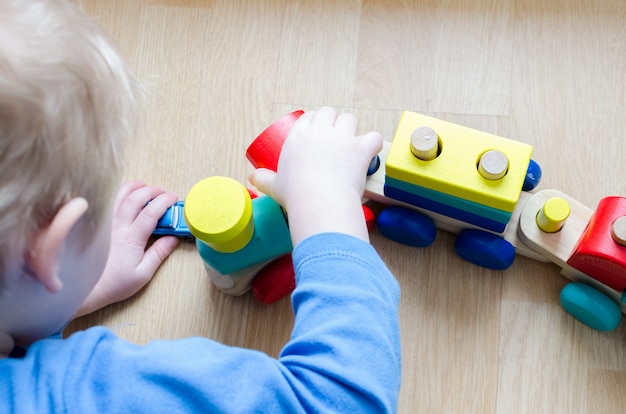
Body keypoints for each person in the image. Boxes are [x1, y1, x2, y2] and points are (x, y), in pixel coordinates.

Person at [0, 0, 401, 412]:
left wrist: (54, 300)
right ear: (49, 251)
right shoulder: (93, 394)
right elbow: (342, 401)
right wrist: (326, 203)